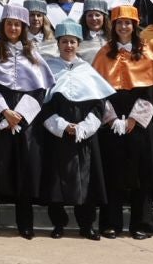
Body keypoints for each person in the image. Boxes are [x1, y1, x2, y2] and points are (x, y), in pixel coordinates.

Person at [0, 2, 52, 240]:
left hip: (25, 121)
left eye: (17, 25)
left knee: (25, 171)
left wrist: (20, 114)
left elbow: (40, 90)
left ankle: (25, 223)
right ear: (3, 26)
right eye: (9, 24)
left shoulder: (34, 55)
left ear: (23, 27)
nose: (12, 28)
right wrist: (4, 112)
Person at [95, 6, 153, 240]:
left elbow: (152, 92)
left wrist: (135, 118)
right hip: (112, 121)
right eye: (119, 23)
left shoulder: (146, 51)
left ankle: (142, 224)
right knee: (111, 173)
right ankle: (110, 223)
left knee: (142, 175)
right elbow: (97, 91)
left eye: (128, 23)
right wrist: (111, 118)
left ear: (135, 26)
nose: (123, 27)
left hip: (140, 123)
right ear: (113, 26)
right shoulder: (104, 53)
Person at [39, 21, 113, 240]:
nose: (68, 46)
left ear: (78, 44)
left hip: (85, 135)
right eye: (64, 42)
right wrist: (62, 126)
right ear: (58, 44)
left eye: (72, 42)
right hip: (58, 134)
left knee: (87, 180)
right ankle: (58, 224)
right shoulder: (49, 69)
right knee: (56, 180)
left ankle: (86, 224)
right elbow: (44, 104)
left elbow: (98, 105)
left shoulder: (87, 70)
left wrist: (84, 127)